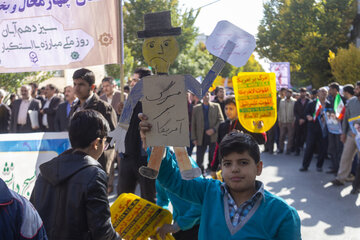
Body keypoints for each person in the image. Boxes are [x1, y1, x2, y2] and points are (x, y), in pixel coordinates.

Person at [140, 117, 301, 239]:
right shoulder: (208, 191)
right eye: (228, 163)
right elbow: (171, 180)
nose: (235, 169)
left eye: (243, 162)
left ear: (258, 167)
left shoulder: (283, 214)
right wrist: (155, 143)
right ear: (221, 168)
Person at [30, 110, 120, 239]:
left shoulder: (45, 171)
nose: (104, 148)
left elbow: (32, 218)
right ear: (96, 143)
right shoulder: (94, 175)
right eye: (105, 143)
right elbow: (102, 232)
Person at [70, 68, 118, 194]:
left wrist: (96, 149)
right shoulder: (74, 108)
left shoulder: (103, 107)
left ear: (92, 86)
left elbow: (113, 137)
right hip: (78, 164)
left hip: (98, 164)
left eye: (81, 84)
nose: (76, 88)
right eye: (75, 84)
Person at [117, 67, 156, 202]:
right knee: (123, 199)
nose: (132, 83)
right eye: (132, 80)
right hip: (127, 157)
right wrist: (120, 113)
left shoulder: (155, 101)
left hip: (145, 159)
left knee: (148, 199)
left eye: (135, 80)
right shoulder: (129, 101)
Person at [210, 96, 266, 177]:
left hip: (244, 166)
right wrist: (213, 168)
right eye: (226, 108)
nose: (228, 111)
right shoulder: (222, 126)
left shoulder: (246, 124)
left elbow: (262, 140)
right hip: (227, 166)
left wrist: (259, 129)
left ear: (238, 109)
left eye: (231, 109)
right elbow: (218, 148)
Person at [156, 152, 201, 240]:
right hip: (180, 226)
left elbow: (201, 201)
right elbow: (162, 199)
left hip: (198, 225)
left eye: (146, 141)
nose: (143, 146)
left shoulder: (186, 165)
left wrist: (177, 226)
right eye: (142, 140)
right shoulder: (161, 167)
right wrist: (161, 222)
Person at [331, 81, 360, 187]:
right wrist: (343, 133)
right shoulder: (351, 102)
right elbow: (346, 119)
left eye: (357, 88)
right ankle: (340, 178)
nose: (355, 90)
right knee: (345, 157)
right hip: (351, 135)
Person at [191, 92, 224, 174]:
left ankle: (211, 169)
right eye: (204, 95)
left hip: (213, 136)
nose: (206, 96)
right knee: (199, 158)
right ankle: (201, 172)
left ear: (210, 96)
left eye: (207, 94)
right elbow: (193, 124)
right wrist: (194, 138)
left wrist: (214, 129)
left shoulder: (216, 106)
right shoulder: (196, 108)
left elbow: (221, 120)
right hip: (200, 136)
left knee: (213, 156)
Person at [299, 87, 331, 172]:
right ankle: (305, 165)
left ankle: (319, 166)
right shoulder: (312, 103)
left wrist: (328, 117)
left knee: (322, 148)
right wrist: (308, 116)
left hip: (323, 129)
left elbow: (332, 114)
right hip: (312, 128)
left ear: (327, 94)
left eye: (325, 92)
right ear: (318, 93)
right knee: (309, 147)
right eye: (321, 91)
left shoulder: (329, 104)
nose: (323, 93)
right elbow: (306, 112)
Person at [278, 89, 296, 154]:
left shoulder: (294, 101)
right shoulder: (282, 101)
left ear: (291, 94)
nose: (287, 94)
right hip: (283, 121)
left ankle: (288, 149)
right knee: (281, 136)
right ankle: (281, 149)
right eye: (286, 93)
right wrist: (279, 120)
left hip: (290, 122)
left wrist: (294, 120)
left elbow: (295, 112)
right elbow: (279, 111)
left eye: (289, 93)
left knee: (290, 137)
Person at [294, 88, 310, 156]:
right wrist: (299, 119)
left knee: (306, 137)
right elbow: (295, 112)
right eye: (301, 92)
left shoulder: (309, 101)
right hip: (298, 122)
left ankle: (306, 151)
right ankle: (297, 150)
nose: (302, 93)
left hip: (306, 122)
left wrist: (304, 119)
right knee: (298, 136)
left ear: (306, 93)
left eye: (303, 92)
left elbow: (310, 111)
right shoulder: (297, 102)